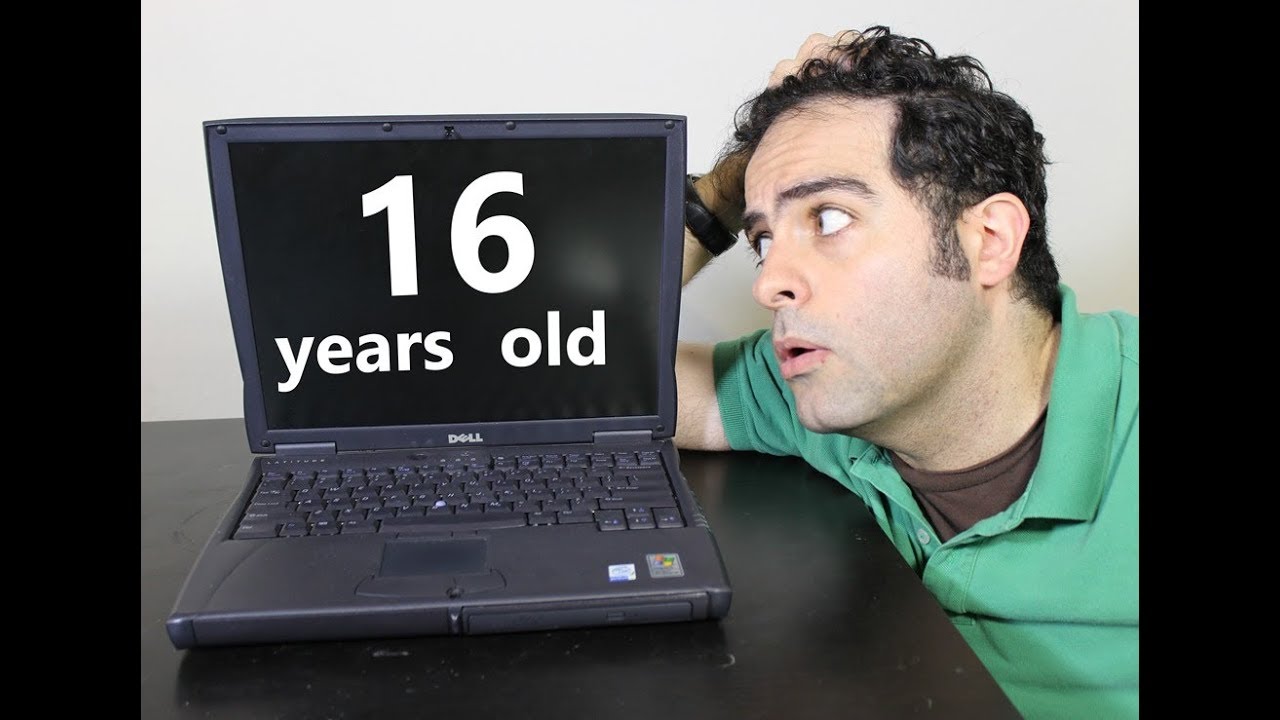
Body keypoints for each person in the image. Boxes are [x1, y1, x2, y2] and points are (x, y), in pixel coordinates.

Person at [675, 26, 1138, 719]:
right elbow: (564, 366)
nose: (769, 283)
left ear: (989, 241)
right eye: (763, 239)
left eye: (829, 218)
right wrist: (717, 197)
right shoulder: (821, 385)